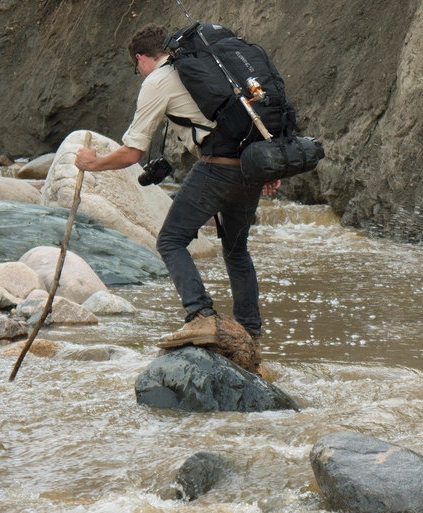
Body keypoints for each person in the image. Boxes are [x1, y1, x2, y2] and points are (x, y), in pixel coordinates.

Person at [74, 22, 279, 354]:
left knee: (170, 240)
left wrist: (92, 163)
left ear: (141, 58)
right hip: (252, 164)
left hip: (218, 166)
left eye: (136, 66)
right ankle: (250, 334)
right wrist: (269, 164)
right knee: (236, 250)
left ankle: (200, 314)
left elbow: (132, 153)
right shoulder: (211, 64)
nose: (138, 73)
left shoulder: (157, 81)